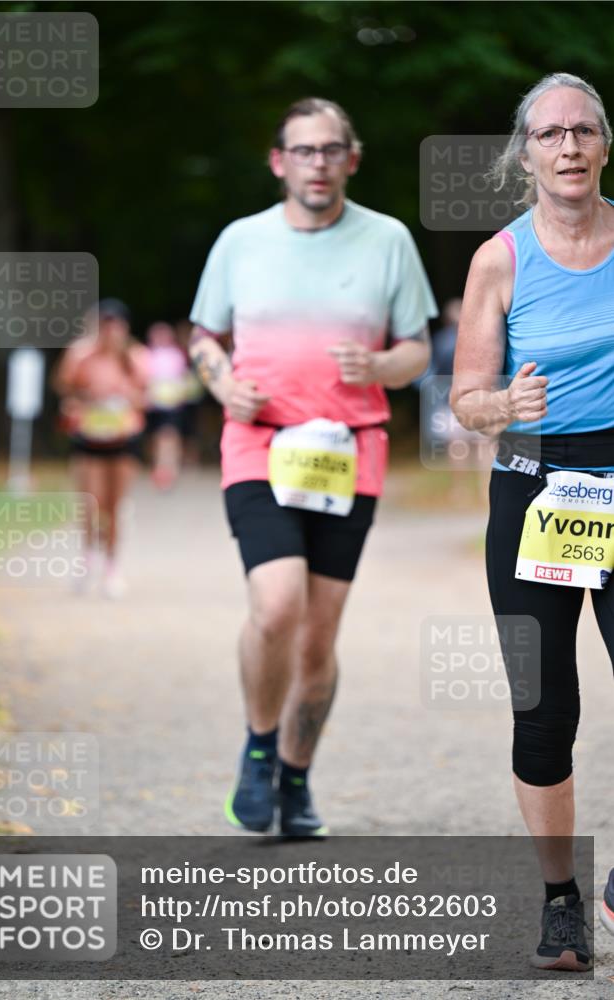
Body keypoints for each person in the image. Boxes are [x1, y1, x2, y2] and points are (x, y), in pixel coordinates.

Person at [189, 97, 437, 837]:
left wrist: (380, 364)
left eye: (331, 150)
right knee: (276, 606)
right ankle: (258, 747)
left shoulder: (387, 240)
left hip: (348, 452)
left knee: (317, 635)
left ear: (351, 160)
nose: (317, 163)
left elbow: (417, 350)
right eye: (303, 150)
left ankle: (295, 780)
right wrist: (222, 385)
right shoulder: (241, 241)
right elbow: (204, 336)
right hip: (259, 442)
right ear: (279, 162)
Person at [451, 73, 613, 971]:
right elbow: (464, 400)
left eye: (582, 131)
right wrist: (502, 404)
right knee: (545, 710)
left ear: (604, 145)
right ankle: (560, 904)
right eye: (549, 134)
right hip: (533, 487)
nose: (568, 147)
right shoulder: (499, 260)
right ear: (525, 154)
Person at [53, 299, 149, 598]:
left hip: (122, 438)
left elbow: (147, 395)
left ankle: (111, 565)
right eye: (105, 324)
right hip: (89, 436)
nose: (110, 331)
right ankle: (88, 557)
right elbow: (64, 386)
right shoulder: (81, 354)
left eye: (115, 324)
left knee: (115, 506)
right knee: (90, 503)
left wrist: (127, 400)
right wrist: (82, 401)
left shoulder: (136, 356)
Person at [145, 321, 188, 490]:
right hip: (153, 405)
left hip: (171, 405)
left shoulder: (176, 355)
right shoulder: (147, 354)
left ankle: (168, 469)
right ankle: (158, 467)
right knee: (156, 439)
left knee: (168, 437)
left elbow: (181, 380)